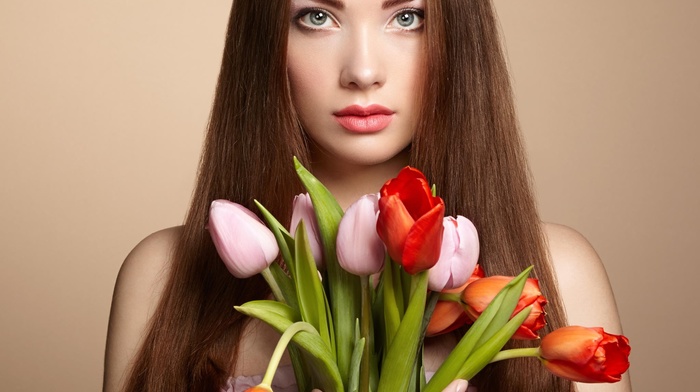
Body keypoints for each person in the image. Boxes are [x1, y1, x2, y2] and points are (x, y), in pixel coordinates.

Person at [104, 1, 630, 391]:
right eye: (316, 17)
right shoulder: (161, 276)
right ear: (263, 41)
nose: (362, 72)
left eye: (407, 17)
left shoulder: (557, 271)